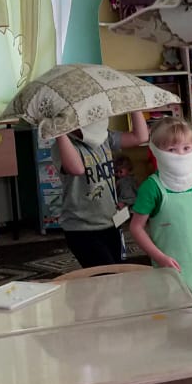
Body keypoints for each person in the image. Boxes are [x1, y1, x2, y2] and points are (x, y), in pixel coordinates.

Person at [128, 118, 192, 317]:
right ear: (157, 151)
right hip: (169, 267)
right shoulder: (152, 187)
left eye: (186, 148)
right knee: (175, 317)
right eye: (172, 149)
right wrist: (159, 257)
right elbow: (136, 228)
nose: (180, 154)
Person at [53, 111, 148, 268]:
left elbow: (141, 137)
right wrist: (59, 131)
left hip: (111, 222)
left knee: (118, 272)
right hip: (82, 228)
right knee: (105, 273)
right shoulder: (64, 145)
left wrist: (134, 107)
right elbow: (76, 168)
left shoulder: (104, 137)